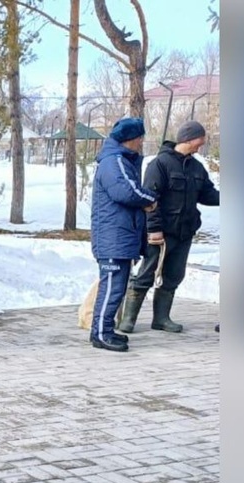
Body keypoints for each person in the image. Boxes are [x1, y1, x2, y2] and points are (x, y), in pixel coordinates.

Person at [118, 120, 221, 334]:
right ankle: (128, 320)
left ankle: (161, 319)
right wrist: (153, 229)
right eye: (199, 141)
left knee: (174, 275)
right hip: (161, 233)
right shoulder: (160, 164)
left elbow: (207, 194)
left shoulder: (196, 167)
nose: (200, 145)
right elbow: (150, 200)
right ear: (189, 138)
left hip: (184, 232)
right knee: (146, 274)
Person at [89, 117, 158, 352]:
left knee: (116, 288)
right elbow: (126, 191)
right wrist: (150, 200)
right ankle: (100, 334)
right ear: (131, 139)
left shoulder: (119, 160)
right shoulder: (113, 161)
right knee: (111, 288)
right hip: (113, 237)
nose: (141, 142)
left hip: (119, 236)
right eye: (139, 138)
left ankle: (105, 330)